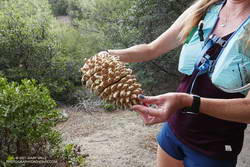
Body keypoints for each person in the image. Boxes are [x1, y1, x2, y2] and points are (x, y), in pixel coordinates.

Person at [99, 0, 250, 166]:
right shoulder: (203, 9)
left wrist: (186, 101)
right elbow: (151, 49)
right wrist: (109, 54)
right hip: (173, 132)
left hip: (213, 147)